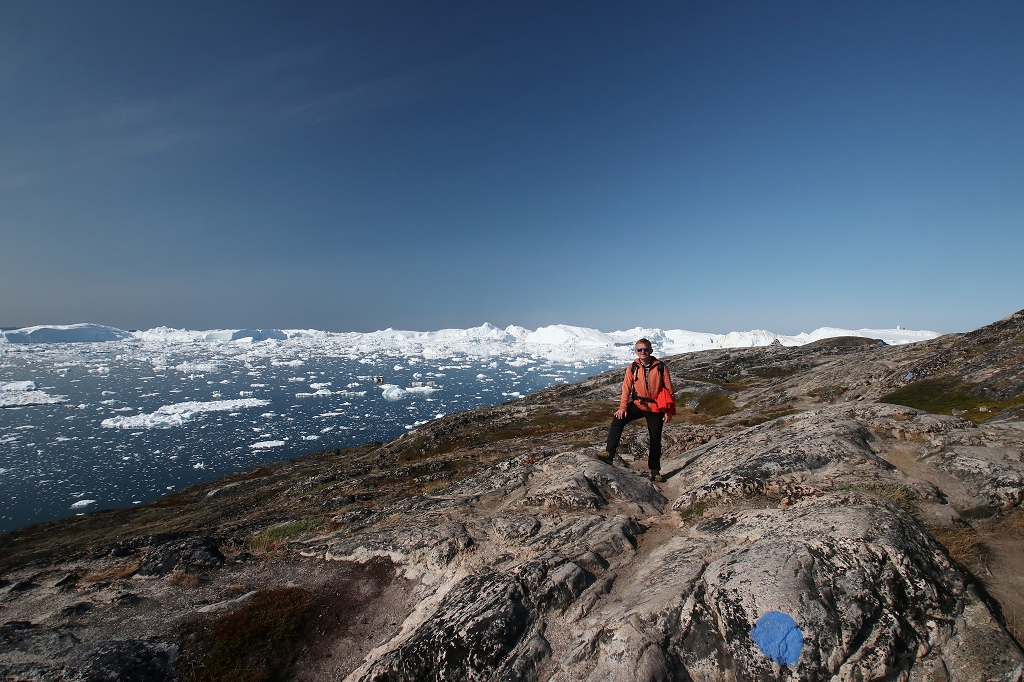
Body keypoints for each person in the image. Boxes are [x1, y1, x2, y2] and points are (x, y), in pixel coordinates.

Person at [601, 338, 674, 482]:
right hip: (638, 404)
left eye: (645, 349)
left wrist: (669, 411)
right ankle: (609, 454)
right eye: (640, 350)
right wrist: (623, 407)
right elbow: (626, 388)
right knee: (618, 419)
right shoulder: (633, 367)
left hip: (655, 407)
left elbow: (669, 389)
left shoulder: (660, 367)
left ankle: (654, 470)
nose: (643, 352)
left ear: (651, 350)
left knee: (655, 438)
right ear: (636, 351)